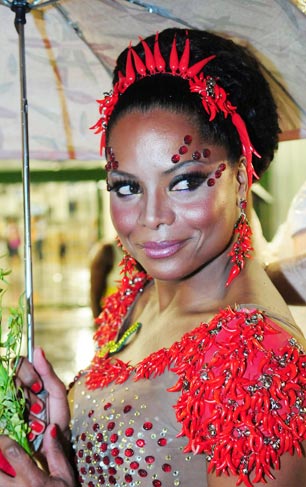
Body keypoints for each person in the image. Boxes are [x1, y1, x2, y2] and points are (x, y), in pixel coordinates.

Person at [0, 28, 305, 487]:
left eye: (184, 181)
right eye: (127, 187)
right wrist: (61, 436)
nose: (152, 218)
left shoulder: (260, 360)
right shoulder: (139, 295)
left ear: (241, 182)